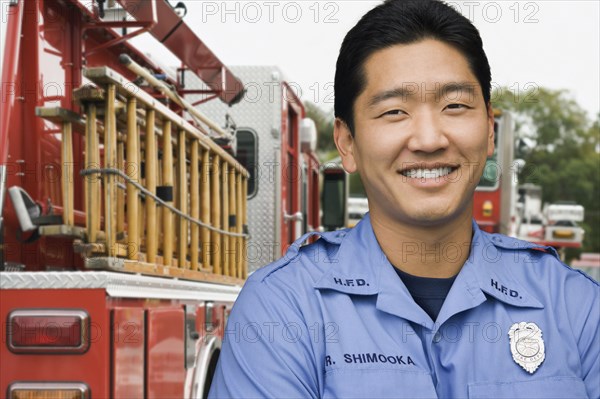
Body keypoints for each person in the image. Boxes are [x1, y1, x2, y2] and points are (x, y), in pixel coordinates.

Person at [208, 1, 599, 397]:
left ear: (489, 131)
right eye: (395, 111)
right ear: (347, 143)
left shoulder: (575, 306)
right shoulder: (281, 309)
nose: (429, 140)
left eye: (455, 106)